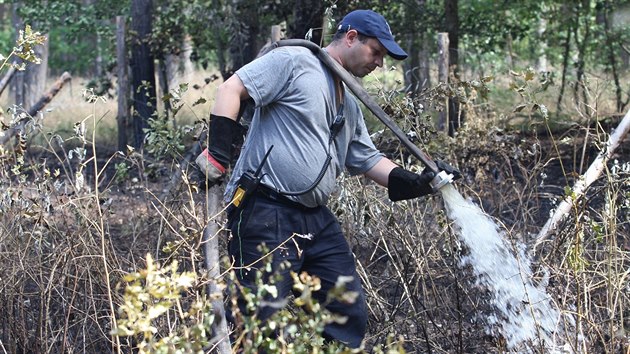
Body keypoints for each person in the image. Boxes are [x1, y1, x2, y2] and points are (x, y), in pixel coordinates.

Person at [196, 9, 460, 349]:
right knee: (259, 320)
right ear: (351, 37)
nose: (379, 63)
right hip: (265, 210)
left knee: (345, 310)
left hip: (313, 217)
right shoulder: (294, 62)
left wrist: (418, 182)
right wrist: (218, 154)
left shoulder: (348, 101)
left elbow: (367, 159)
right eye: (376, 52)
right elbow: (231, 89)